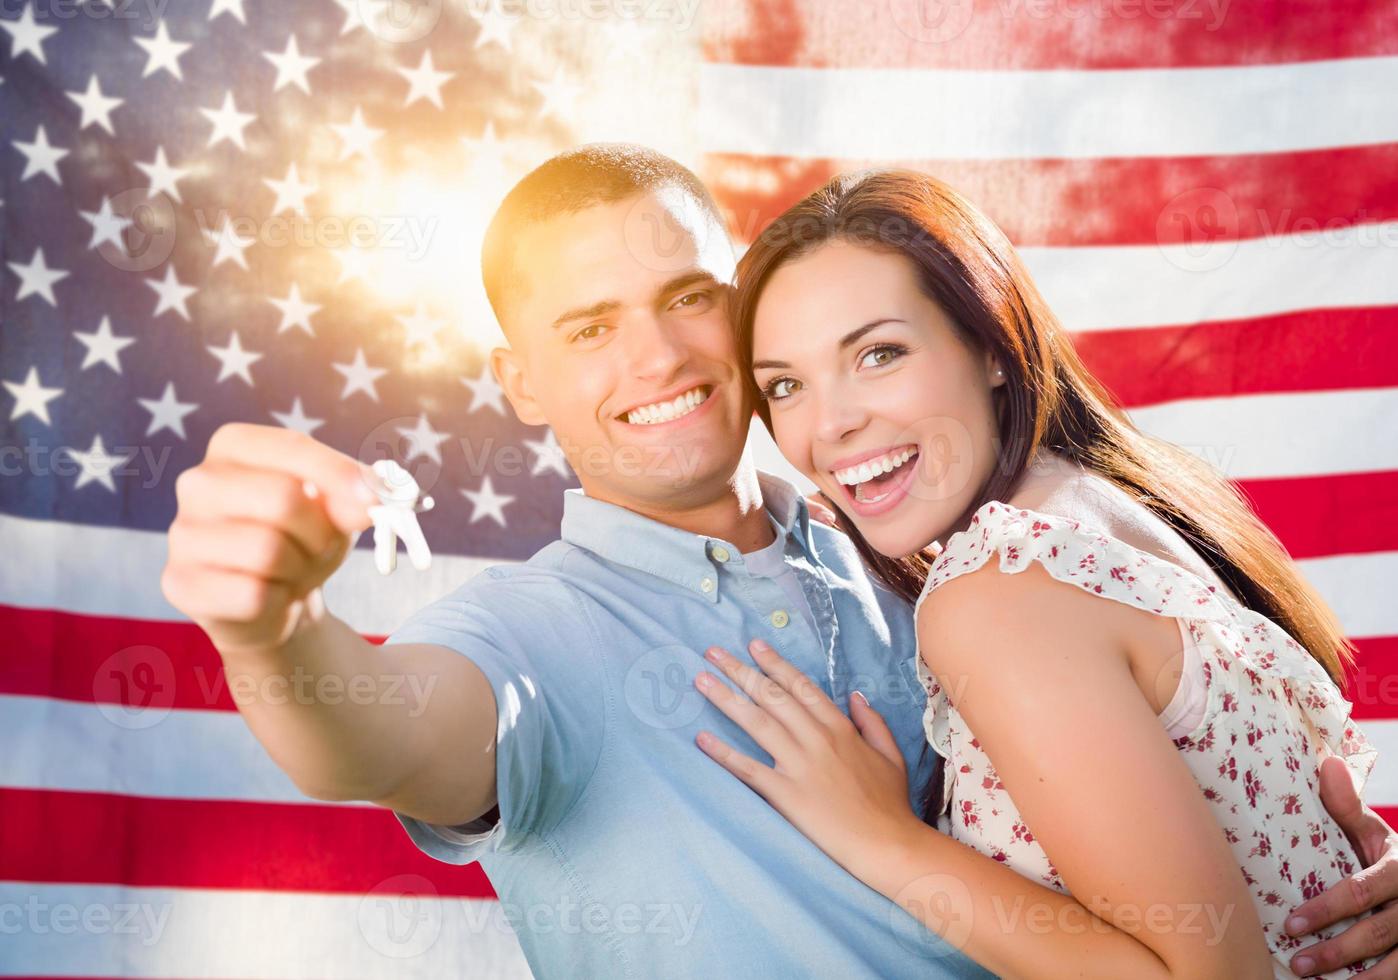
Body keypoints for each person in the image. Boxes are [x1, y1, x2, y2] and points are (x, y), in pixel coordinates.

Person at [160, 146, 1398, 978]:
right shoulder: (533, 630)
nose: (654, 356)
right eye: (590, 327)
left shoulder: (918, 531)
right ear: (521, 384)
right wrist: (271, 632)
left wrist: (1340, 873)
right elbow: (375, 734)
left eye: (687, 296)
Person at [691, 168, 1386, 979]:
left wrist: (880, 836)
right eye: (786, 386)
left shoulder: (1000, 588)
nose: (831, 424)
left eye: (879, 354)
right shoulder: (1110, 502)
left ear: (989, 344)